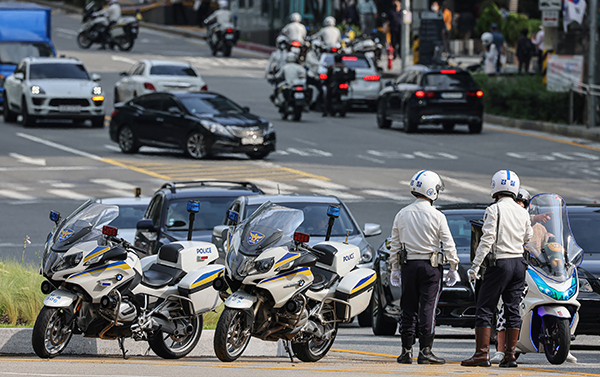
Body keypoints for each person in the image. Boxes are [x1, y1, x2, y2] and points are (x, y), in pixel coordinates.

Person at [462, 170, 533, 368]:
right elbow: (529, 235)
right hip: (519, 263)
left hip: (499, 262)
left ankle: (481, 355)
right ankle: (510, 356)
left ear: (495, 188)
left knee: (485, 307)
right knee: (512, 309)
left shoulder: (494, 209)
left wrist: (475, 266)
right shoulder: (522, 211)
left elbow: (487, 240)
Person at [389, 170, 460, 365]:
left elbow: (394, 244)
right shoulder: (437, 215)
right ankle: (426, 351)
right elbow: (448, 242)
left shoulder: (402, 213)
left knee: (408, 307)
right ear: (432, 190)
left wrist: (394, 267)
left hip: (408, 265)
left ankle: (405, 351)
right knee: (428, 308)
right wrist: (453, 266)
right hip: (431, 266)